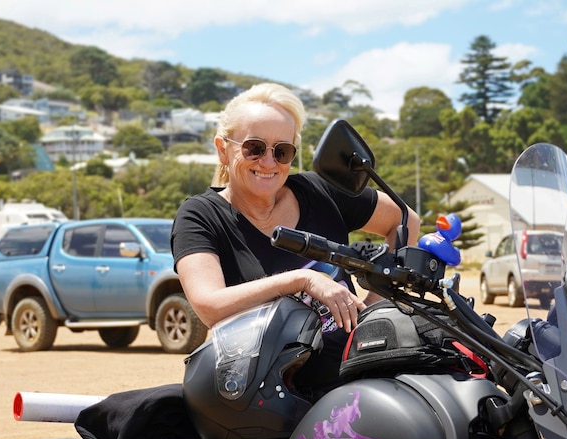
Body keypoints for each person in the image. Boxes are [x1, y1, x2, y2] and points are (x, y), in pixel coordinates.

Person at [171, 82, 420, 392]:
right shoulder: (200, 215)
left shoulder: (320, 191)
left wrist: (373, 309)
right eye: (254, 148)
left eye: (282, 151)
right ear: (223, 149)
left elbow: (405, 218)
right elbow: (209, 305)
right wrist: (302, 281)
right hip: (272, 401)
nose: (268, 162)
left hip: (357, 379)